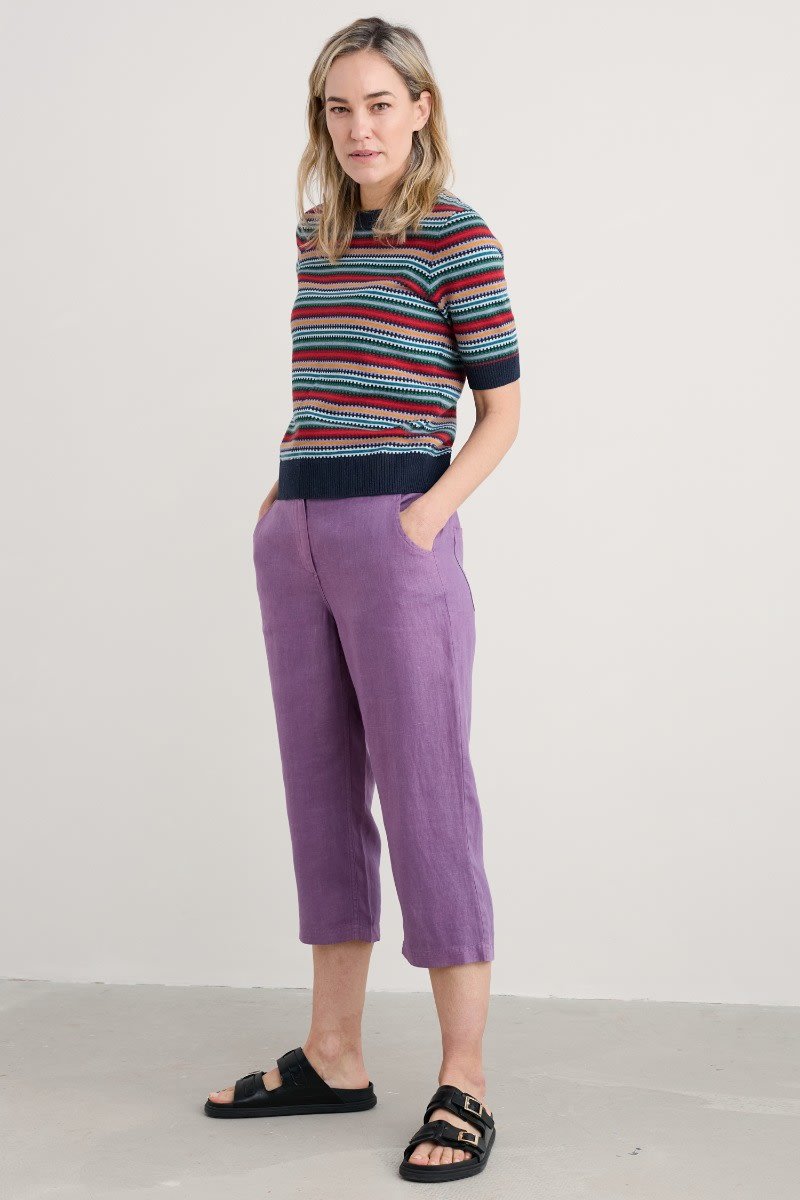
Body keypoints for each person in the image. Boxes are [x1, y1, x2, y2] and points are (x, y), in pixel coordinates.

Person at [204, 16, 521, 1184]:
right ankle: (332, 1053)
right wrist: (276, 501)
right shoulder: (317, 234)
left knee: (428, 797)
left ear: (419, 109)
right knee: (321, 795)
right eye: (338, 108)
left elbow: (501, 412)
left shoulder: (458, 236)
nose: (358, 127)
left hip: (395, 532)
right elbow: (328, 385)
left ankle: (463, 1078)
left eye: (380, 103)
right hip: (296, 531)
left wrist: (424, 519)